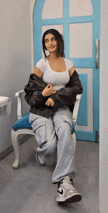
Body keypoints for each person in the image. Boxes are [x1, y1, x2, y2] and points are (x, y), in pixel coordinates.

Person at [24, 29, 83, 203]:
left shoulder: (68, 63)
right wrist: (43, 95)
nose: (50, 43)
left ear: (58, 41)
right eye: (46, 40)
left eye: (53, 39)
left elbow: (77, 87)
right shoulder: (41, 64)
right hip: (41, 111)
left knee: (64, 130)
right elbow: (29, 94)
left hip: (61, 108)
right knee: (50, 146)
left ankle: (64, 183)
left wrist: (56, 96)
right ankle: (41, 154)